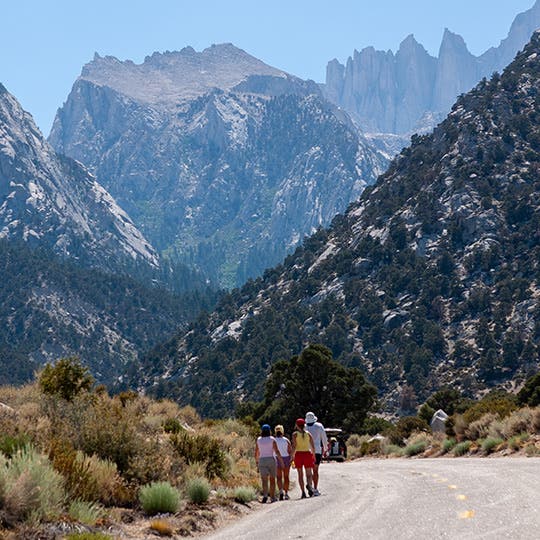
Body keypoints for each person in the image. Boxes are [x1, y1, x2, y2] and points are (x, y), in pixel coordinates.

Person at [255, 424, 284, 503]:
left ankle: (265, 496)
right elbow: (277, 451)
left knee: (264, 480)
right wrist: (281, 461)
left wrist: (257, 462)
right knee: (272, 479)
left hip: (262, 460)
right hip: (271, 459)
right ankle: (272, 497)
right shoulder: (272, 439)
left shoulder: (259, 440)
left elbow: (257, 452)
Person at [291, 418, 315, 499]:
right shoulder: (308, 434)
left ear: (297, 425)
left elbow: (294, 446)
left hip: (298, 454)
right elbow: (312, 446)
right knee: (309, 473)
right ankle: (309, 485)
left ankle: (303, 492)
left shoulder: (295, 434)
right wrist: (314, 455)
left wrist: (292, 456)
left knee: (300, 474)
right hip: (307, 454)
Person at [305, 411, 328, 496]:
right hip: (317, 451)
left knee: (308, 471)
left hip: (307, 450)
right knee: (315, 470)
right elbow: (324, 438)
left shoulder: (304, 427)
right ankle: (315, 488)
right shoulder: (319, 426)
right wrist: (325, 449)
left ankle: (309, 485)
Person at [274, 424, 292, 500]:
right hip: (286, 458)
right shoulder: (286, 440)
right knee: (286, 476)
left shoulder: (273, 440)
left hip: (276, 458)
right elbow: (290, 451)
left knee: (279, 477)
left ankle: (281, 491)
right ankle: (286, 493)